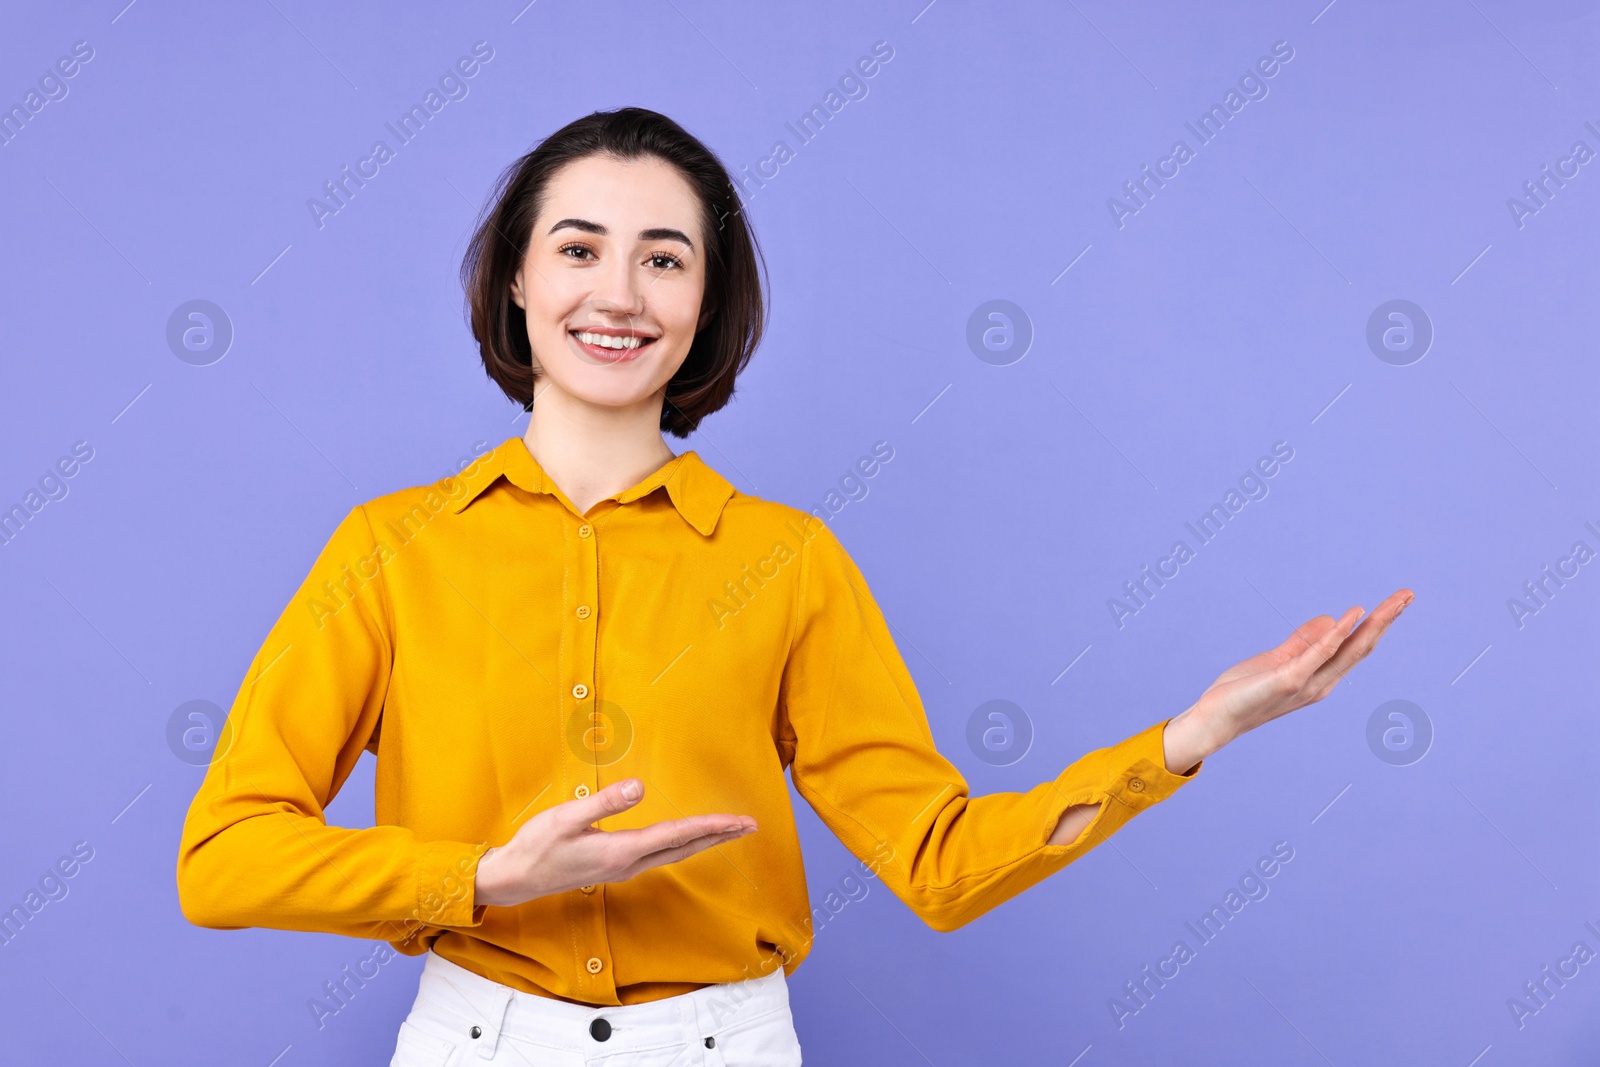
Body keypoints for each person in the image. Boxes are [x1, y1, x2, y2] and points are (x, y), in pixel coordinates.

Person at [175, 107, 1412, 1066]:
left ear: (705, 303)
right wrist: (483, 879)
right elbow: (223, 859)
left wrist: (1189, 737)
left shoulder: (787, 561)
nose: (617, 292)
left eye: (665, 258)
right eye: (578, 248)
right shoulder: (390, 548)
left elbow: (937, 863)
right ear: (514, 277)